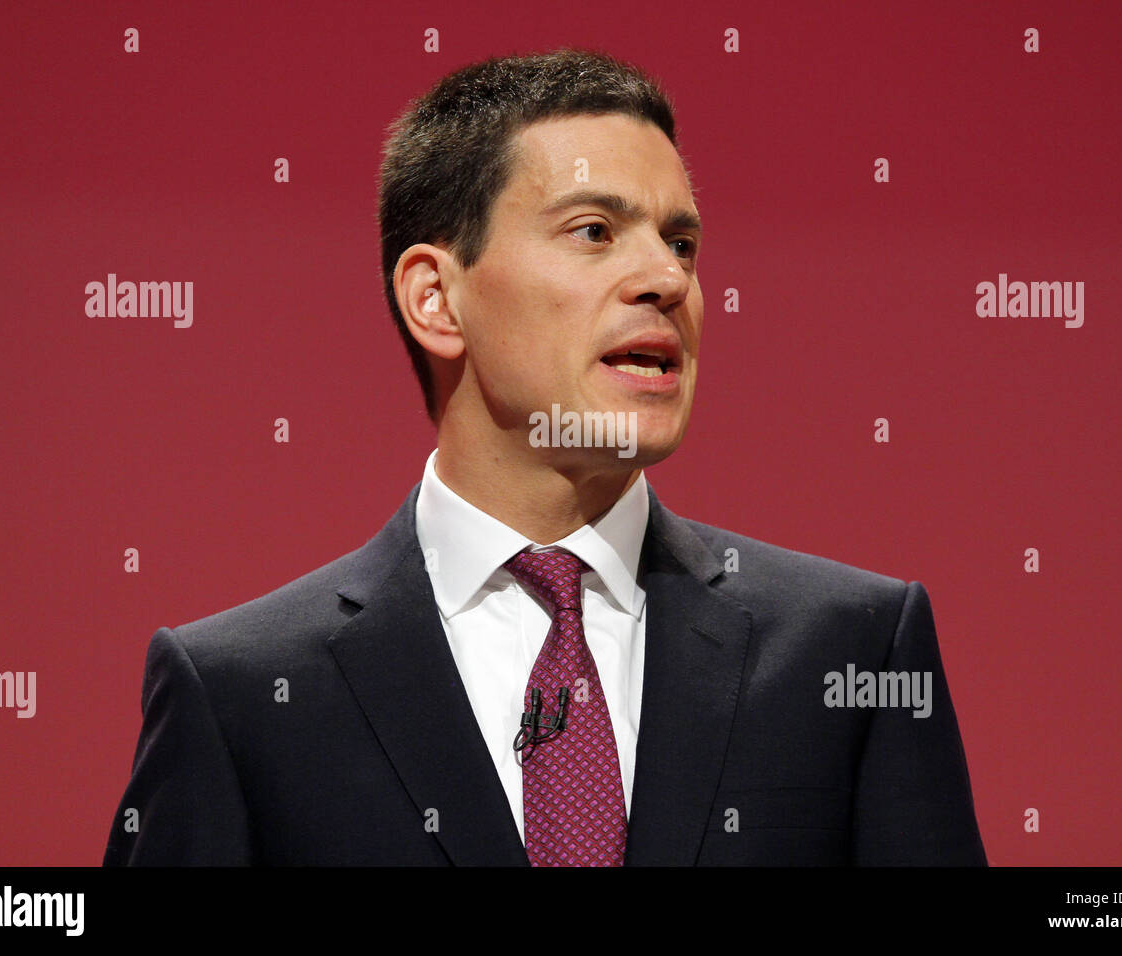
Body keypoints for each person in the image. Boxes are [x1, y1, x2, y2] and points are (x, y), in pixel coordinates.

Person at [102, 47, 986, 866]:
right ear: (436, 300)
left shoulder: (854, 648)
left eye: (681, 243)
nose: (669, 279)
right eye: (596, 231)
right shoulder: (243, 693)